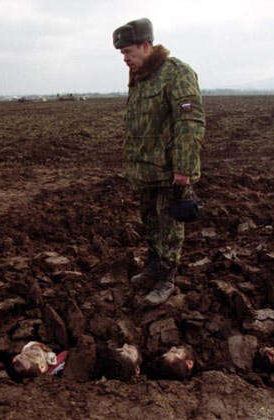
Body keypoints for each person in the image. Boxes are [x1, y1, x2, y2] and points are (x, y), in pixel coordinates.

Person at [112, 18, 205, 305]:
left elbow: (189, 121)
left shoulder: (176, 73)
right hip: (145, 171)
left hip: (169, 172)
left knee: (169, 227)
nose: (125, 59)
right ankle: (153, 267)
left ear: (146, 45)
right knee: (150, 223)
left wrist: (183, 168)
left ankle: (167, 277)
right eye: (122, 54)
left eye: (128, 52)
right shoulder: (140, 77)